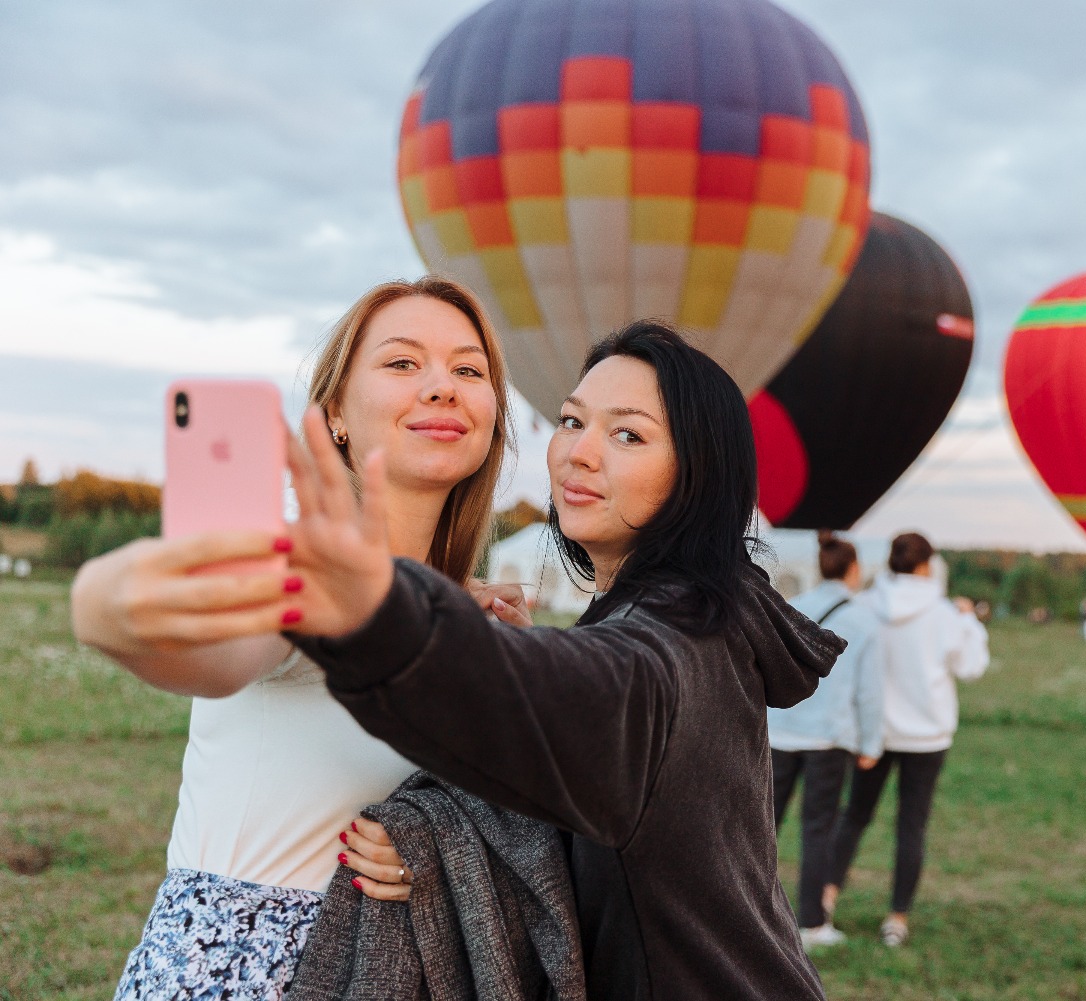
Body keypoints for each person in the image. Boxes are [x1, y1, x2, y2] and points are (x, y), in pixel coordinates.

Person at [155, 321, 841, 1000]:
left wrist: (384, 607)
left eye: (628, 434)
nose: (581, 453)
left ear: (699, 473)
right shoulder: (669, 616)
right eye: (572, 422)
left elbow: (571, 701)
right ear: (333, 412)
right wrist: (454, 838)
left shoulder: (673, 642)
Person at [70, 277, 527, 998]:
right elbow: (221, 652)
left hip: (389, 973)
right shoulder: (298, 567)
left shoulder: (472, 624)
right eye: (403, 363)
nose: (442, 386)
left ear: (493, 417)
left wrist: (435, 849)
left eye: (469, 370)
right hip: (240, 974)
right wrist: (111, 608)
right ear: (336, 414)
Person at [824, 532, 989, 948]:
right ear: (925, 565)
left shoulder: (865, 606)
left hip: (873, 731)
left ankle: (825, 897)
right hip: (927, 733)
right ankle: (896, 918)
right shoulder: (944, 613)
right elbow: (971, 667)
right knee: (911, 825)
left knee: (854, 816)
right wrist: (970, 621)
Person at [768, 533, 885, 949]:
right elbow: (870, 692)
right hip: (829, 737)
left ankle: (746, 911)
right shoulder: (864, 619)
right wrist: (871, 744)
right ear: (854, 570)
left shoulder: (795, 608)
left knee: (764, 826)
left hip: (780, 730)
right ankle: (812, 922)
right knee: (818, 829)